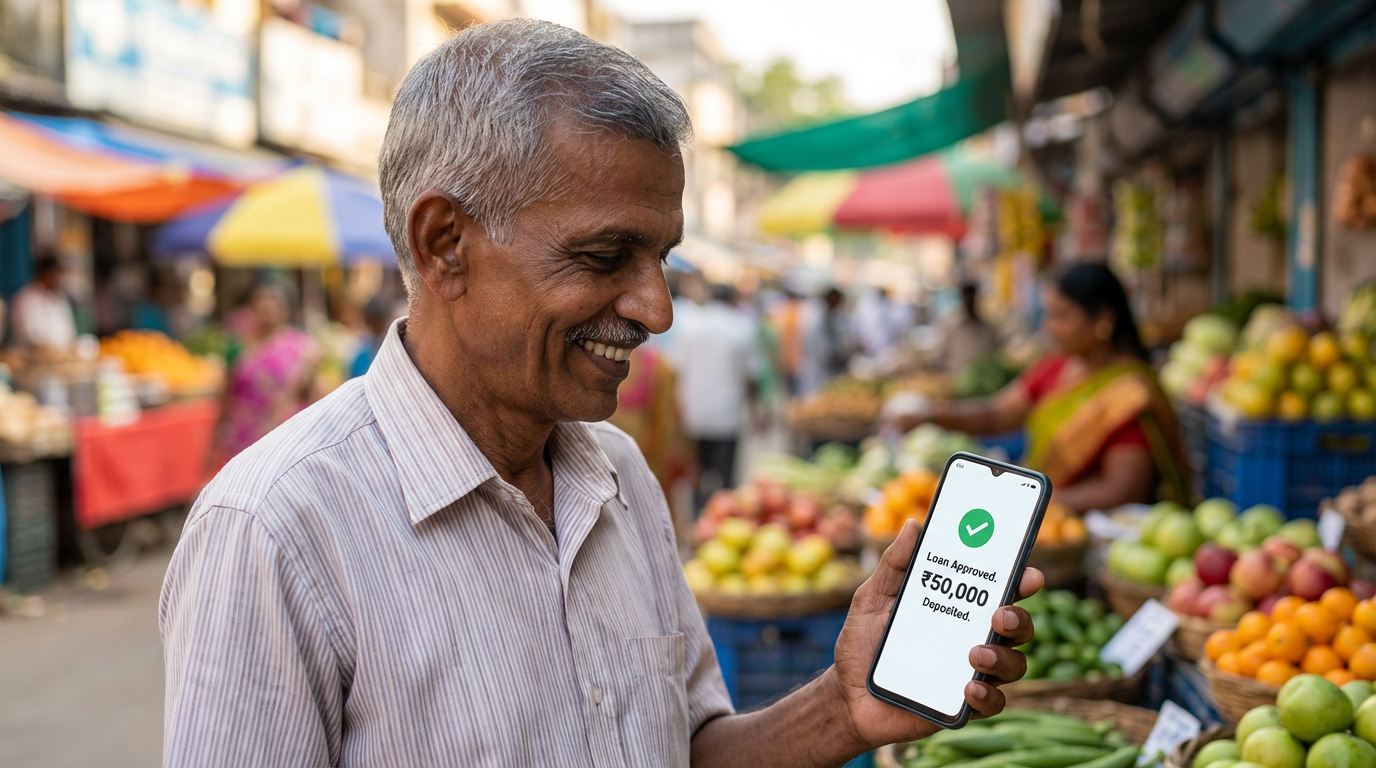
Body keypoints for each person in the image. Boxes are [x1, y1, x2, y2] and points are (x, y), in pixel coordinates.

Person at [161, 20, 1039, 767]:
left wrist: (842, 710)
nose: (655, 309)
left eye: (663, 258)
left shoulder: (615, 474)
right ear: (444, 245)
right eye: (604, 256)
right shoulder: (275, 530)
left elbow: (686, 746)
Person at [902, 263, 1187, 513]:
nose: (1048, 326)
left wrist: (1030, 500)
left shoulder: (1129, 393)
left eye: (1061, 316)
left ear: (1103, 320)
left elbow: (1122, 491)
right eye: (1048, 314)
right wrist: (932, 416)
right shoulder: (1057, 366)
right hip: (1041, 518)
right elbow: (997, 414)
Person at [665, 279, 760, 510]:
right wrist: (757, 409)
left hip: (695, 411)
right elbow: (751, 375)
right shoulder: (741, 327)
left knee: (698, 470)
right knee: (725, 476)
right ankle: (723, 517)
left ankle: (699, 515)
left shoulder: (692, 327)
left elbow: (675, 369)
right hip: (727, 413)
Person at [211, 283, 320, 465]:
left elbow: (312, 394)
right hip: (242, 440)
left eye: (273, 304)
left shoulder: (302, 348)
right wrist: (214, 444)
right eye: (260, 305)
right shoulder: (238, 347)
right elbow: (226, 395)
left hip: (287, 439)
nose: (266, 310)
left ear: (285, 311)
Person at [10, 253, 75, 350]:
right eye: (56, 274)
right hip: (32, 360)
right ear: (45, 273)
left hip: (61, 358)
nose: (60, 279)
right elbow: (31, 339)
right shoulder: (25, 300)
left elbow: (69, 334)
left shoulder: (59, 299)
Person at [935, 282, 1000, 375]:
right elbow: (939, 357)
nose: (969, 302)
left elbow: (995, 354)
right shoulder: (951, 328)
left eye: (972, 298)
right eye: (967, 298)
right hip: (956, 378)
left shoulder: (987, 329)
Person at [797, 286, 851, 395]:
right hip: (820, 370)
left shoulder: (836, 319)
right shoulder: (817, 320)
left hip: (833, 370)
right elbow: (815, 348)